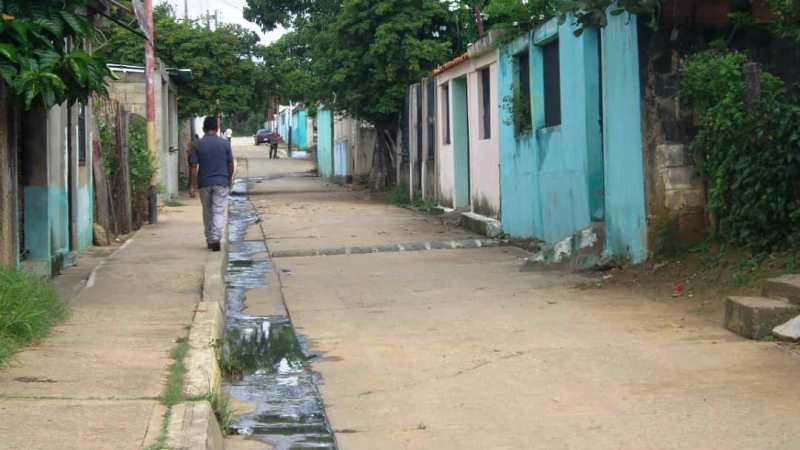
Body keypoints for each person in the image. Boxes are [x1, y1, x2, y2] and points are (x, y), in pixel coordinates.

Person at [189, 117, 234, 252]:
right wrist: (229, 179)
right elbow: (230, 164)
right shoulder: (225, 144)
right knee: (218, 211)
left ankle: (210, 239)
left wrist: (192, 185)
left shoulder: (197, 144)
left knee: (207, 212)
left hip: (204, 183)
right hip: (221, 182)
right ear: (217, 128)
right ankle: (215, 238)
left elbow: (193, 166)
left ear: (203, 129)